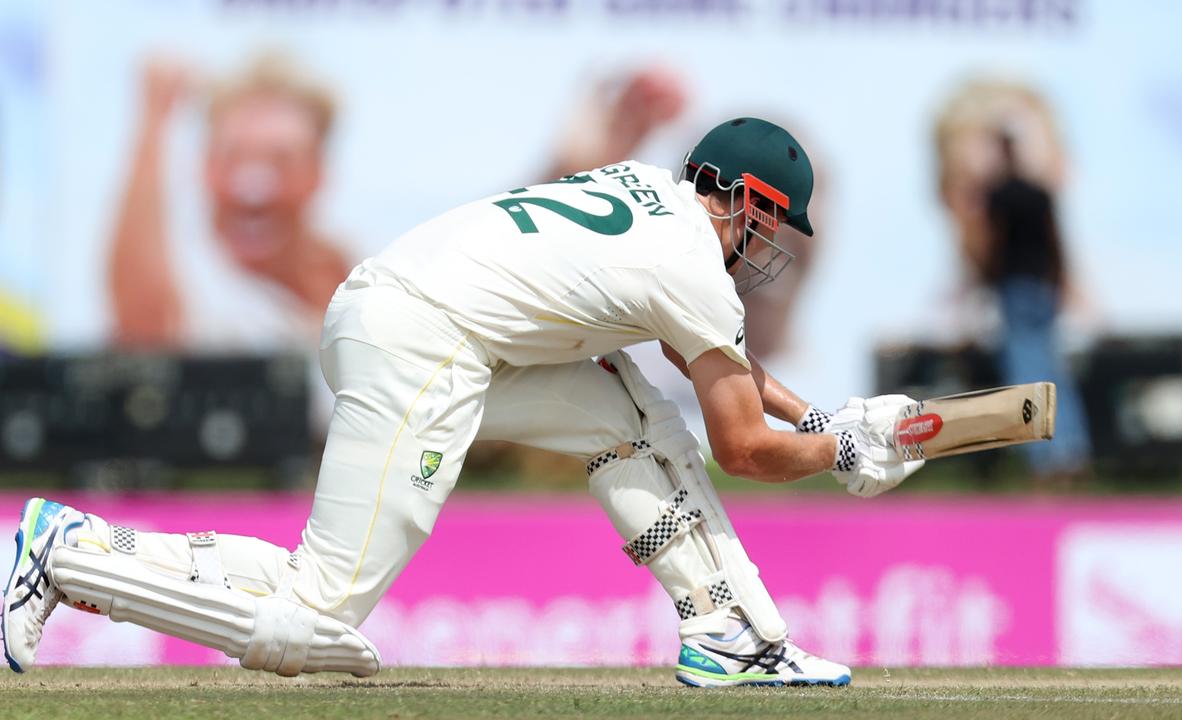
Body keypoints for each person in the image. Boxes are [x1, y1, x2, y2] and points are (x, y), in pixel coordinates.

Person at [3, 118, 923, 687]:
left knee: (634, 418)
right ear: (738, 197)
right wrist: (839, 453)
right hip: (422, 339)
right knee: (315, 618)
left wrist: (819, 418)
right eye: (767, 219)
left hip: (423, 322)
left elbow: (719, 366)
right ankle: (71, 554)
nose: (766, 243)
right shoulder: (690, 265)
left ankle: (736, 636)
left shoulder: (652, 193)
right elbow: (741, 448)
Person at [109, 53, 350, 426]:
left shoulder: (363, 274)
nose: (252, 186)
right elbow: (144, 332)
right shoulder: (194, 285)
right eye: (232, 157)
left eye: (281, 160)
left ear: (318, 172)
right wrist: (155, 118)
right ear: (205, 167)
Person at [933, 79, 1091, 480]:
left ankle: (1045, 461)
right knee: (1053, 372)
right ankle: (1071, 451)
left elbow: (990, 243)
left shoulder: (999, 194)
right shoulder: (1038, 193)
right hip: (1042, 287)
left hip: (1016, 288)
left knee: (1027, 375)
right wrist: (1060, 282)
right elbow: (1057, 243)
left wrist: (983, 277)